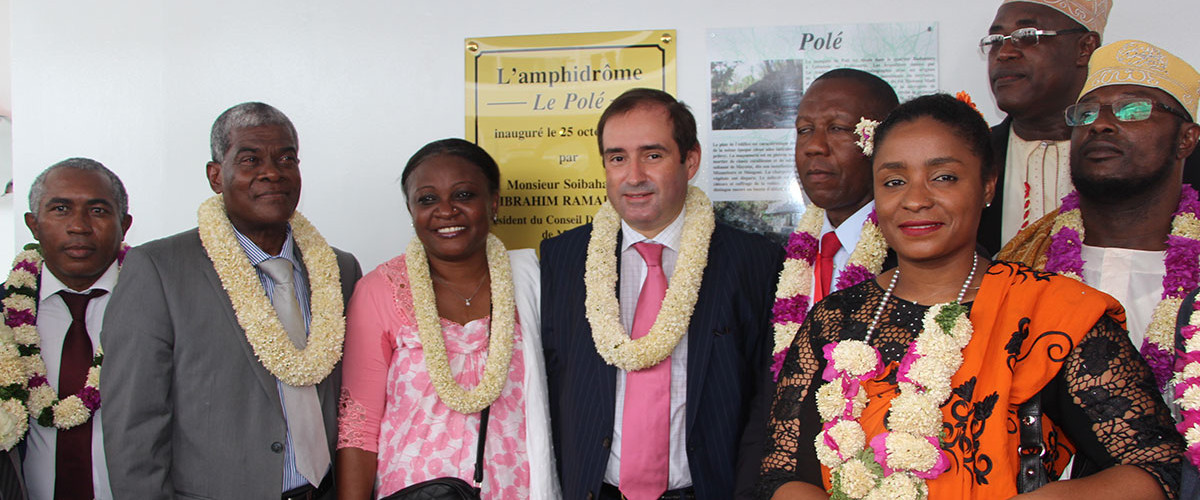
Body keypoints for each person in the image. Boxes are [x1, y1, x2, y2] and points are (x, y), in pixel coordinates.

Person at [759, 93, 1183, 499]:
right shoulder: (833, 320)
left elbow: (1153, 467)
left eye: (943, 177)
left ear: (986, 186)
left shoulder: (1052, 314)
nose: (916, 200)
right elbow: (783, 472)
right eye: (894, 181)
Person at [102, 102, 362, 499]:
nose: (272, 172)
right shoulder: (159, 269)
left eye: (286, 158)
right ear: (215, 176)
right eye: (250, 158)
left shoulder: (339, 270)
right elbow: (134, 423)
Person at [541, 88, 784, 500]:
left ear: (690, 160)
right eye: (617, 157)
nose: (633, 175)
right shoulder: (561, 259)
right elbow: (551, 382)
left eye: (652, 155)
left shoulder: (754, 262)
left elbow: (765, 397)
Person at [335, 138, 558, 499]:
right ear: (411, 210)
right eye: (427, 199)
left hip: (520, 489)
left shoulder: (533, 281)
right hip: (413, 491)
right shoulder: (380, 290)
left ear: (494, 202)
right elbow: (358, 429)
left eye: (464, 195)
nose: (446, 211)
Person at [998, 39, 1200, 395]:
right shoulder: (1020, 266)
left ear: (1186, 139)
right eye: (1086, 113)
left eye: (1133, 109)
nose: (1100, 124)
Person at [0, 159, 131, 500]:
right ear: (33, 225)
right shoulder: (3, 312)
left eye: (98, 210)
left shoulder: (161, 305)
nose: (79, 226)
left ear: (124, 225)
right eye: (60, 209)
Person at [771, 68, 898, 378]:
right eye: (804, 129)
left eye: (838, 128)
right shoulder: (779, 262)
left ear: (883, 142)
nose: (815, 146)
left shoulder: (914, 259)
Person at [976, 0, 1106, 255]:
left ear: (1085, 48)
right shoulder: (971, 156)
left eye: (1027, 36)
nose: (1004, 52)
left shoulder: (1149, 158)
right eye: (996, 40)